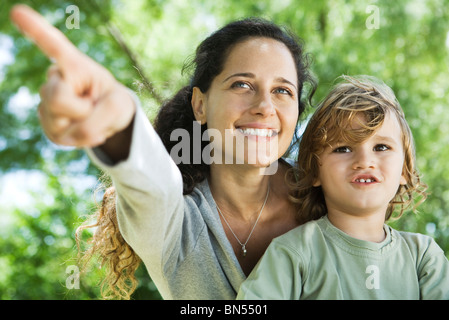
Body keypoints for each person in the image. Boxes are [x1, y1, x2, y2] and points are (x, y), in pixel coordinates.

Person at [10, 5, 317, 299]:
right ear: (200, 105)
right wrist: (119, 124)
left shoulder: (328, 192)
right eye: (241, 85)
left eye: (282, 91)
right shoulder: (174, 224)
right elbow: (152, 184)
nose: (264, 106)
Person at [237, 75, 449, 300]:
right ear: (315, 172)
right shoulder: (294, 252)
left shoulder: (423, 256)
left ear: (404, 170)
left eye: (381, 147)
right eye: (343, 149)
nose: (364, 160)